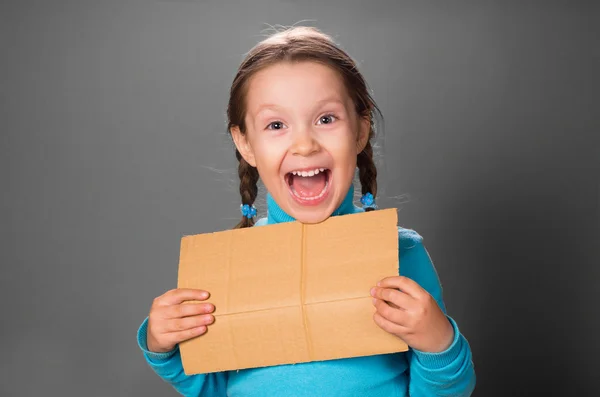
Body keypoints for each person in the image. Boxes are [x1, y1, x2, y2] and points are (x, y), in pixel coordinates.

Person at [136, 26, 476, 396]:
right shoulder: (230, 269)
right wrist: (165, 345)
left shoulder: (401, 256)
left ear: (361, 130)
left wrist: (440, 344)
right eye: (276, 125)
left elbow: (446, 390)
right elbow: (213, 388)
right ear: (245, 143)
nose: (303, 144)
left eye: (326, 119)